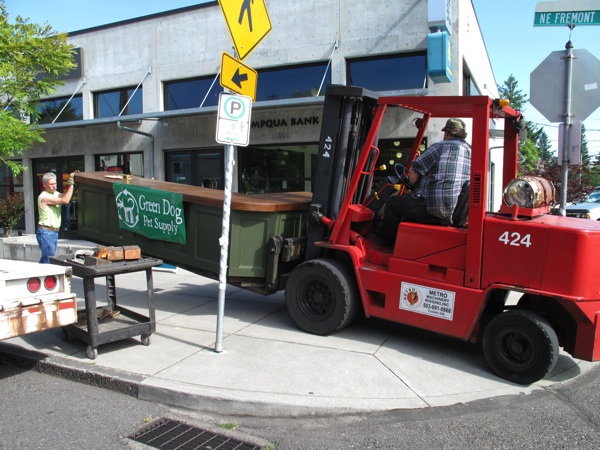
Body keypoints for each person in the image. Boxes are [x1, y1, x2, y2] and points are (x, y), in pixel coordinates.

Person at [377, 118, 471, 246]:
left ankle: (387, 244)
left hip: (433, 207)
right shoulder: (470, 151)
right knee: (408, 206)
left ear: (447, 133)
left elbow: (414, 171)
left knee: (392, 203)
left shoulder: (439, 147)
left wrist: (412, 181)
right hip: (455, 210)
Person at [36, 172, 76, 263]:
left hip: (52, 232)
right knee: (48, 259)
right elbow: (65, 200)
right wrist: (71, 184)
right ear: (44, 184)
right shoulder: (44, 197)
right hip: (46, 232)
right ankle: (43, 275)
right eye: (51, 184)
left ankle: (38, 274)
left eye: (55, 183)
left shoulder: (54, 193)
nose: (54, 186)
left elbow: (67, 197)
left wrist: (75, 184)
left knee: (47, 258)